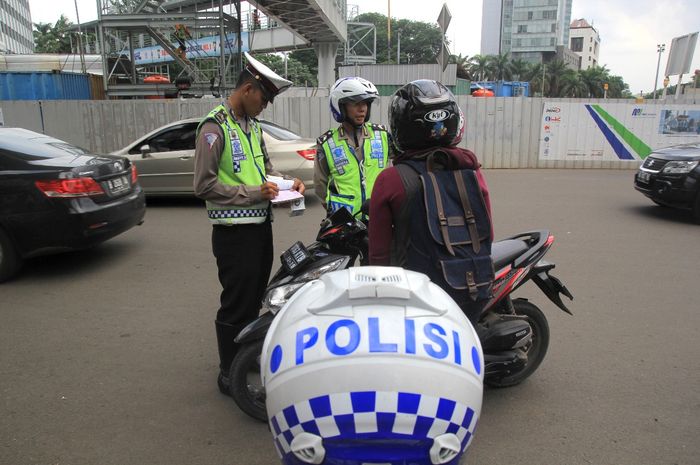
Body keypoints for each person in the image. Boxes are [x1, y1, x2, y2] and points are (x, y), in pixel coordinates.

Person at [194, 52, 305, 396]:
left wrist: (287, 182)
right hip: (233, 234)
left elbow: (264, 170)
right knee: (236, 302)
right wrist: (254, 193)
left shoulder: (252, 128)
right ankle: (229, 373)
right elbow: (204, 185)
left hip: (259, 228)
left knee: (256, 297)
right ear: (247, 89)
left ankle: (245, 356)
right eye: (264, 99)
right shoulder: (214, 128)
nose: (265, 106)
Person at [369, 79, 493, 320]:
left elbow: (379, 255)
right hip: (471, 286)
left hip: (415, 297)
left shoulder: (390, 180)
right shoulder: (471, 169)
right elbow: (487, 231)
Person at [314, 77, 391, 219]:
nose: (362, 109)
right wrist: (333, 210)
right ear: (340, 106)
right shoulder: (327, 143)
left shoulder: (383, 135)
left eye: (365, 103)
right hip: (345, 222)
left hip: (379, 217)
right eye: (356, 103)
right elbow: (320, 185)